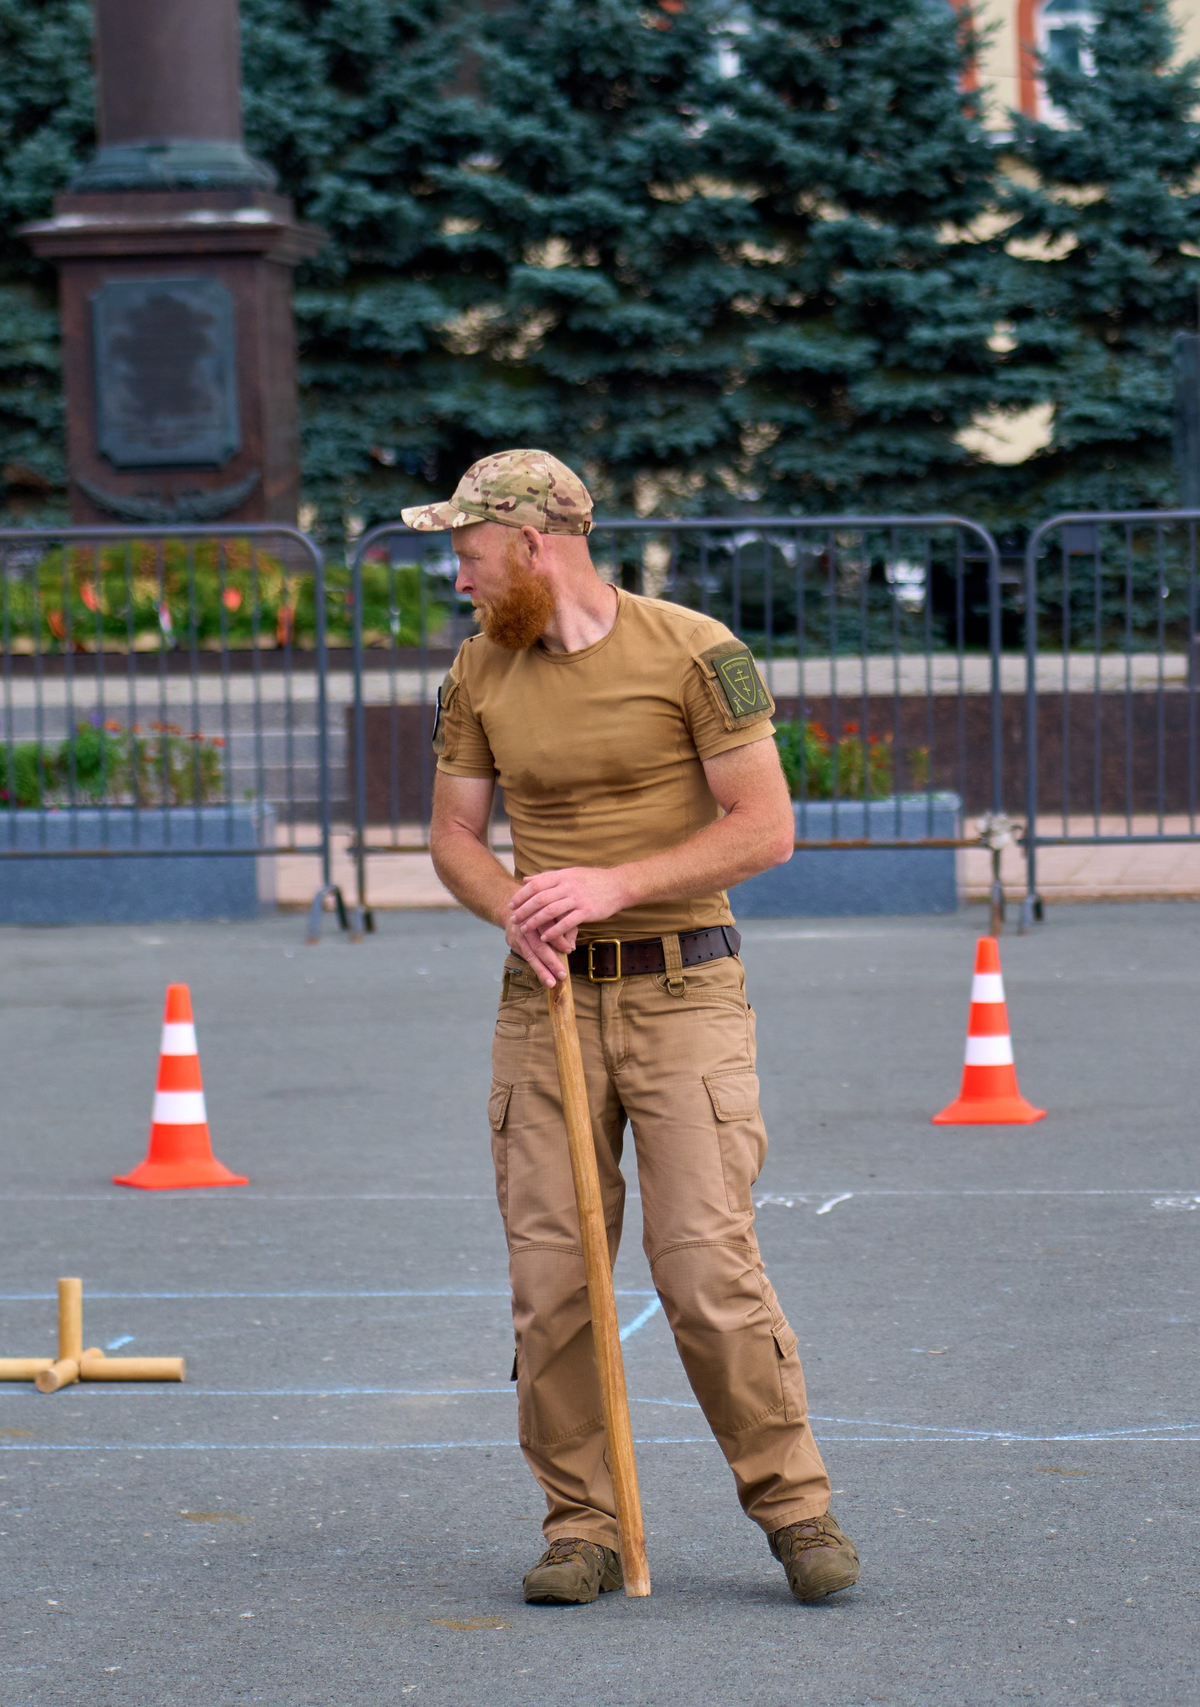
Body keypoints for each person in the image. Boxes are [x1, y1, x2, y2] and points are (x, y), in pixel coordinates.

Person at [416, 450, 858, 1608]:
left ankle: (796, 1510)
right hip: (548, 1002)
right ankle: (583, 1529)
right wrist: (514, 906)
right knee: (553, 1283)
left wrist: (610, 884)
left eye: (469, 553)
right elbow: (454, 836)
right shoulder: (478, 668)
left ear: (533, 544)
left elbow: (763, 828)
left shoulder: (693, 652)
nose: (458, 577)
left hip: (682, 993)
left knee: (704, 1269)